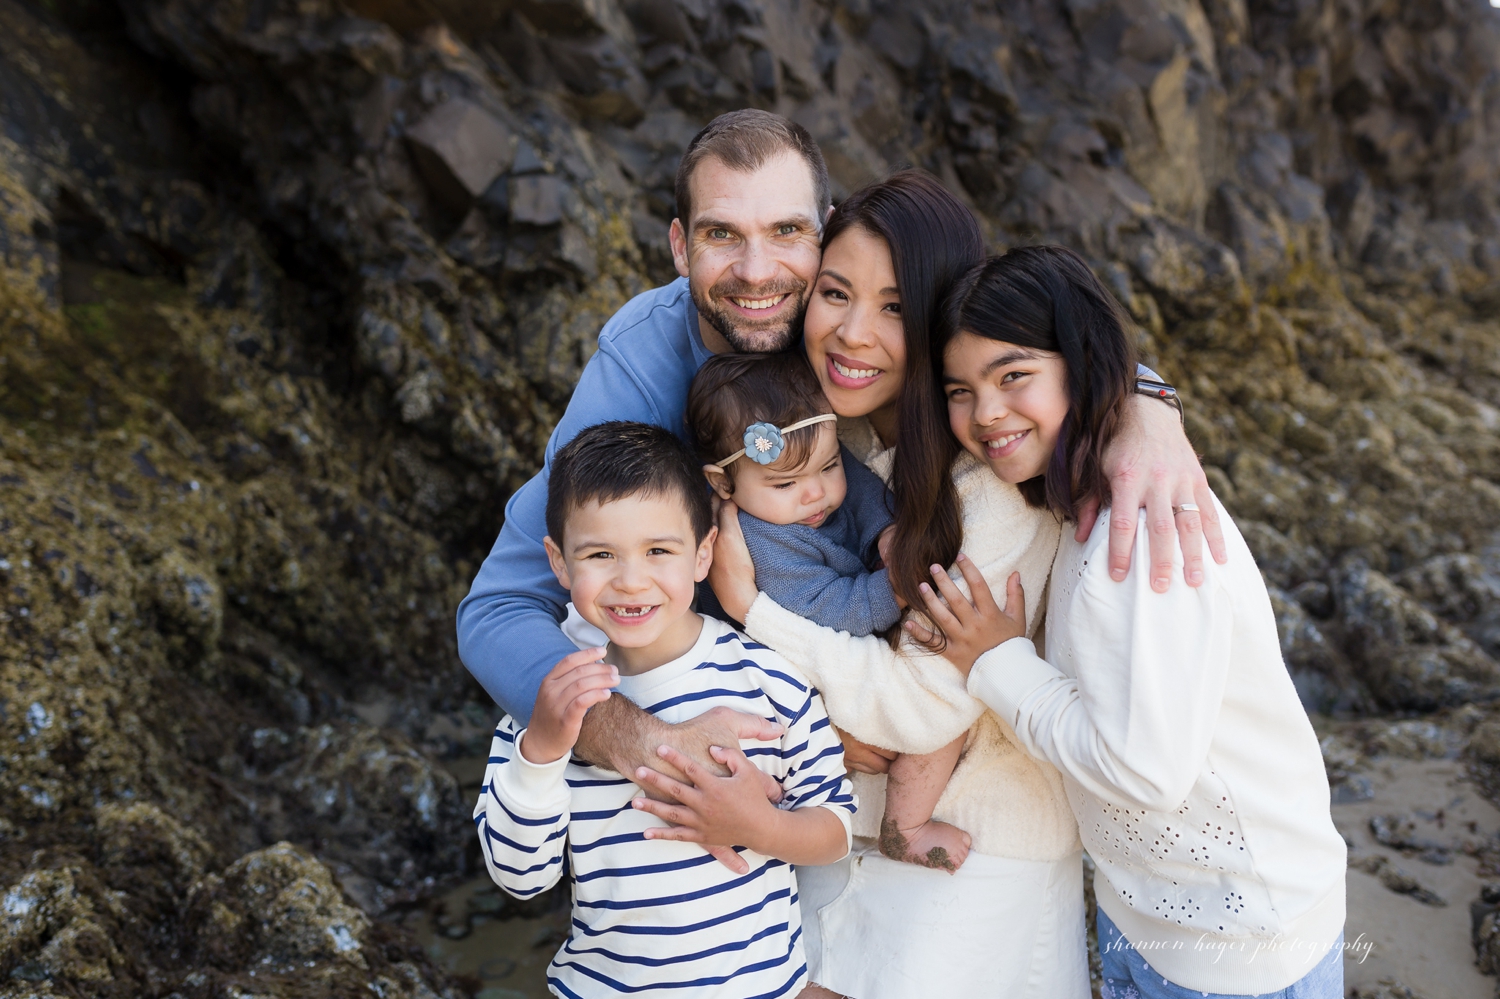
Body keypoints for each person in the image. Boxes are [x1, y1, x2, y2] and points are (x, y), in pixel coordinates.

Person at [456, 108, 1220, 826]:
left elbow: (1015, 318)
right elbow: (500, 610)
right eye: (723, 235)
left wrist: (1143, 404)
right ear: (681, 246)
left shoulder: (839, 326)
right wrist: (662, 742)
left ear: (825, 233)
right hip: (730, 749)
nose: (757, 273)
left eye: (786, 231)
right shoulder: (642, 366)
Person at [911, 246, 1346, 998]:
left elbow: (1145, 769)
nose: (985, 412)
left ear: (1079, 365)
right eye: (961, 389)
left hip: (1242, 947)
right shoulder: (1076, 491)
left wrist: (996, 658)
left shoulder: (1141, 530)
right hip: (1150, 916)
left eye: (1013, 376)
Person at [700, 171, 1084, 998]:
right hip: (851, 825)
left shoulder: (988, 488)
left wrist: (752, 610)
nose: (852, 333)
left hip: (979, 847)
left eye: (895, 307)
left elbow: (917, 708)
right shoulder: (811, 436)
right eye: (835, 293)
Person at [474, 421, 855, 999]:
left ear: (703, 553)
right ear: (558, 563)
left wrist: (760, 827)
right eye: (600, 554)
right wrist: (543, 752)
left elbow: (836, 830)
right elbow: (521, 878)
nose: (631, 581)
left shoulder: (768, 678)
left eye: (659, 551)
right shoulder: (551, 705)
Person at [687, 351, 971, 872]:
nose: (816, 491)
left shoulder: (813, 480)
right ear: (724, 485)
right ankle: (903, 826)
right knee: (938, 700)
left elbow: (860, 490)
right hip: (784, 677)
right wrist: (898, 583)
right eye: (785, 484)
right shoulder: (759, 543)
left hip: (829, 645)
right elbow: (833, 613)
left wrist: (887, 530)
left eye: (828, 465)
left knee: (949, 689)